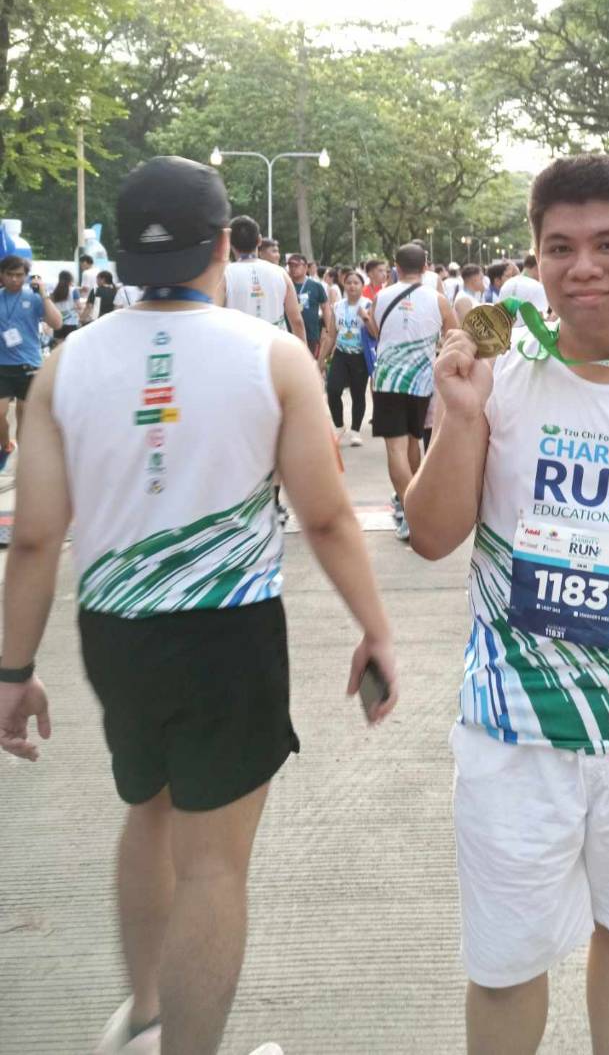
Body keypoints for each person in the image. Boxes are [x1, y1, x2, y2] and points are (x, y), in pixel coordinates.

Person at [0, 155, 396, 1055]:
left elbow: (32, 538)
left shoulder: (65, 364)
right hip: (228, 630)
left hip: (115, 629)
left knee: (148, 811)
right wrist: (376, 628)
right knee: (214, 862)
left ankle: (143, 1016)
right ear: (223, 241)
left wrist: (12, 670)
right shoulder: (273, 354)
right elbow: (327, 514)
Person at [405, 152, 609, 1055]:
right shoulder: (498, 376)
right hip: (514, 732)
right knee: (507, 961)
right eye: (560, 246)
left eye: (608, 243)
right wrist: (463, 414)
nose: (583, 265)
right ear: (536, 257)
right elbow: (432, 535)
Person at [368, 243, 456, 541]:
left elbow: (377, 331)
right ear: (426, 266)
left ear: (396, 266)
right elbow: (454, 336)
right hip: (422, 381)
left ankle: (410, 512)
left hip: (388, 379)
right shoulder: (439, 300)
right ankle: (413, 506)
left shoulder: (380, 297)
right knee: (414, 442)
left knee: (395, 448)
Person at [0, 258, 61, 471]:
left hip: (29, 364)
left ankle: (25, 461)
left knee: (24, 415)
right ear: (1, 275)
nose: (15, 279)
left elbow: (57, 323)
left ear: (26, 276)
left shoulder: (34, 298)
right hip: (2, 366)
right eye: (10, 274)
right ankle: (6, 445)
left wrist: (43, 293)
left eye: (19, 275)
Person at [222, 217, 306, 343]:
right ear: (259, 240)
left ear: (229, 242)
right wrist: (302, 356)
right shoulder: (281, 273)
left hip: (238, 349)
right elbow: (297, 321)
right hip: (276, 350)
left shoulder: (224, 275)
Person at [328, 269, 373, 446]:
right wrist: (321, 360)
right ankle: (339, 425)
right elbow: (331, 334)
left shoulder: (369, 304)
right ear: (344, 285)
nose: (352, 286)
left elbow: (375, 333)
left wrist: (366, 318)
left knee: (358, 393)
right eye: (349, 282)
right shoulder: (338, 306)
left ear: (362, 286)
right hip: (340, 353)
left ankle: (355, 430)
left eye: (356, 283)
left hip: (360, 355)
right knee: (332, 390)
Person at [286, 253, 334, 364]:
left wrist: (329, 330)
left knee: (310, 364)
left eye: (296, 265)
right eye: (290, 266)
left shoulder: (316, 286)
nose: (293, 269)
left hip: (312, 335)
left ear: (306, 267)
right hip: (289, 334)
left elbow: (326, 308)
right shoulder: (286, 284)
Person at [498, 252, 548, 325]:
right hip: (528, 335)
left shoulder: (506, 284)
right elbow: (539, 321)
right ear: (537, 267)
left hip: (507, 334)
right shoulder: (537, 287)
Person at [49, 270, 82, 345]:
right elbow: (79, 306)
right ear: (70, 279)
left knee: (59, 346)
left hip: (58, 321)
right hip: (71, 322)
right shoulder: (73, 290)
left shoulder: (54, 291)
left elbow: (51, 305)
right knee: (70, 346)